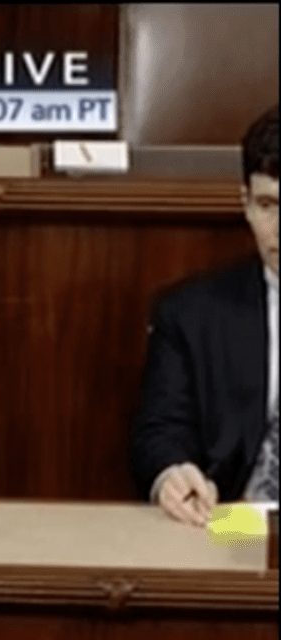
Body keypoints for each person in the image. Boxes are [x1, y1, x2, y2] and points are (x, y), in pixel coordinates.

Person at [130, 105, 280, 522]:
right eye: (269, 204)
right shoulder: (190, 313)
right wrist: (172, 475)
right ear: (245, 204)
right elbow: (159, 433)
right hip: (236, 527)